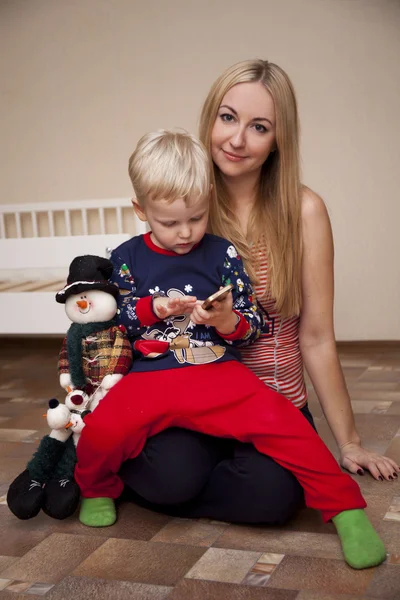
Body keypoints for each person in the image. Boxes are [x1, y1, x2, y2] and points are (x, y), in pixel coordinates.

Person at [75, 129, 386, 570]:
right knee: (103, 429)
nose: (185, 233)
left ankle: (347, 510)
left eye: (197, 218)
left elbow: (252, 321)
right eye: (169, 223)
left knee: (285, 424)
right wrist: (152, 307)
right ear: (141, 210)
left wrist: (226, 320)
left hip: (216, 371)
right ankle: (96, 487)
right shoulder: (126, 257)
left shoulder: (221, 253)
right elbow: (115, 317)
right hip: (152, 377)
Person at [119, 60, 400, 527]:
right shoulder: (185, 206)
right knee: (171, 474)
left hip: (274, 404)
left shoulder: (305, 211)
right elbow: (137, 305)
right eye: (227, 117)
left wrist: (348, 441)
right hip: (191, 395)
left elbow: (316, 337)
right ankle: (160, 476)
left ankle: (185, 486)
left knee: (270, 498)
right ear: (210, 117)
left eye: (259, 127)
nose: (236, 140)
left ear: (278, 139)